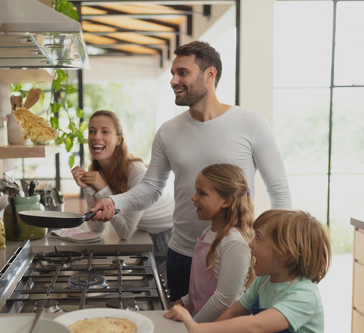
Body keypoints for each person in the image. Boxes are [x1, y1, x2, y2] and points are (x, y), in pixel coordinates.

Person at [90, 40, 292, 302]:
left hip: (237, 254)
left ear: (210, 74)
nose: (173, 80)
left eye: (182, 72)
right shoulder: (168, 131)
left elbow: (279, 190)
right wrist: (113, 202)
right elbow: (151, 188)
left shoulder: (251, 124)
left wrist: (278, 247)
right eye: (173, 73)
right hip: (182, 253)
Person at [165, 209, 332, 333]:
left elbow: (255, 325)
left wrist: (195, 328)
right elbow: (232, 313)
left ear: (286, 254)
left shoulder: (304, 296)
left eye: (258, 237)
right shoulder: (264, 281)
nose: (250, 243)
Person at [71, 110, 174, 278]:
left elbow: (125, 232)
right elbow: (96, 228)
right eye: (91, 131)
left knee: (164, 294)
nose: (96, 136)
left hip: (166, 235)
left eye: (105, 131)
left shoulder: (136, 171)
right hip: (142, 232)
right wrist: (88, 188)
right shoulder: (98, 172)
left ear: (118, 139)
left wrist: (102, 188)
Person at [174, 163, 255, 333]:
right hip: (205, 328)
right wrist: (182, 302)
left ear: (226, 201)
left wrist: (192, 327)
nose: (193, 198)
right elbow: (201, 285)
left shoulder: (234, 242)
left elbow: (224, 298)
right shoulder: (209, 232)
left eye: (202, 193)